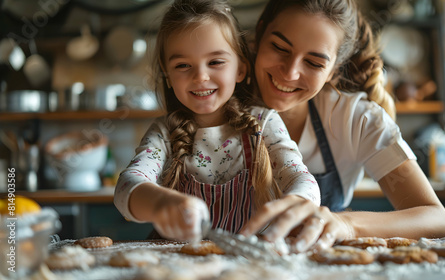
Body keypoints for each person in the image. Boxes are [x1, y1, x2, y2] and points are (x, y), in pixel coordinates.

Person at [240, 0, 445, 253]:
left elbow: (437, 220)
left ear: (333, 70)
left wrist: (346, 224)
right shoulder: (214, 105)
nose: (290, 72)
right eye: (279, 47)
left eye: (314, 63)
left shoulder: (356, 120)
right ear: (260, 33)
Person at [113, 0, 320, 242]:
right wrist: (161, 204)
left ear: (241, 69)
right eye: (182, 65)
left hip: (249, 260)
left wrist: (296, 202)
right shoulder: (164, 132)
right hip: (182, 263)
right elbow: (126, 186)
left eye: (215, 62)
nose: (200, 76)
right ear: (167, 75)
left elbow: (301, 179)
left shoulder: (264, 123)